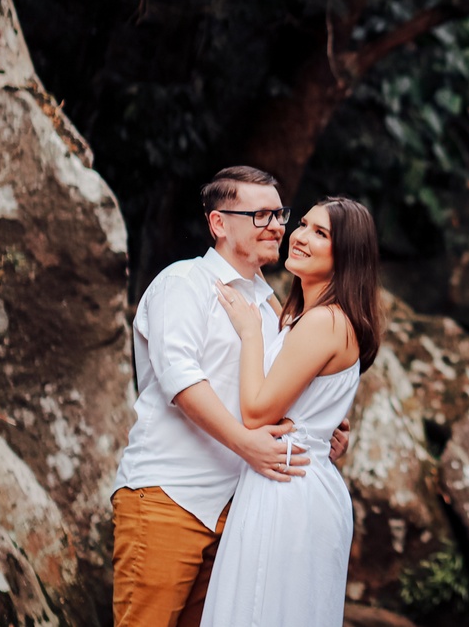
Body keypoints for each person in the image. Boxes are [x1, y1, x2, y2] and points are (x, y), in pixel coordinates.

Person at [111, 166, 349, 627]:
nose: (276, 226)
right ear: (218, 223)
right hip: (170, 496)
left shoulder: (273, 308)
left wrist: (320, 431)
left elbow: (277, 392)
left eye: (279, 214)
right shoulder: (185, 282)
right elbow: (181, 380)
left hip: (238, 513)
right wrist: (246, 444)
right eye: (260, 215)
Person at [201, 196, 384, 627]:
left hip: (288, 486)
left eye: (320, 233)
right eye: (303, 224)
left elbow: (257, 413)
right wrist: (321, 427)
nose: (299, 236)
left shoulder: (325, 322)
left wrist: (250, 333)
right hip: (290, 477)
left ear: (347, 255)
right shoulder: (310, 316)